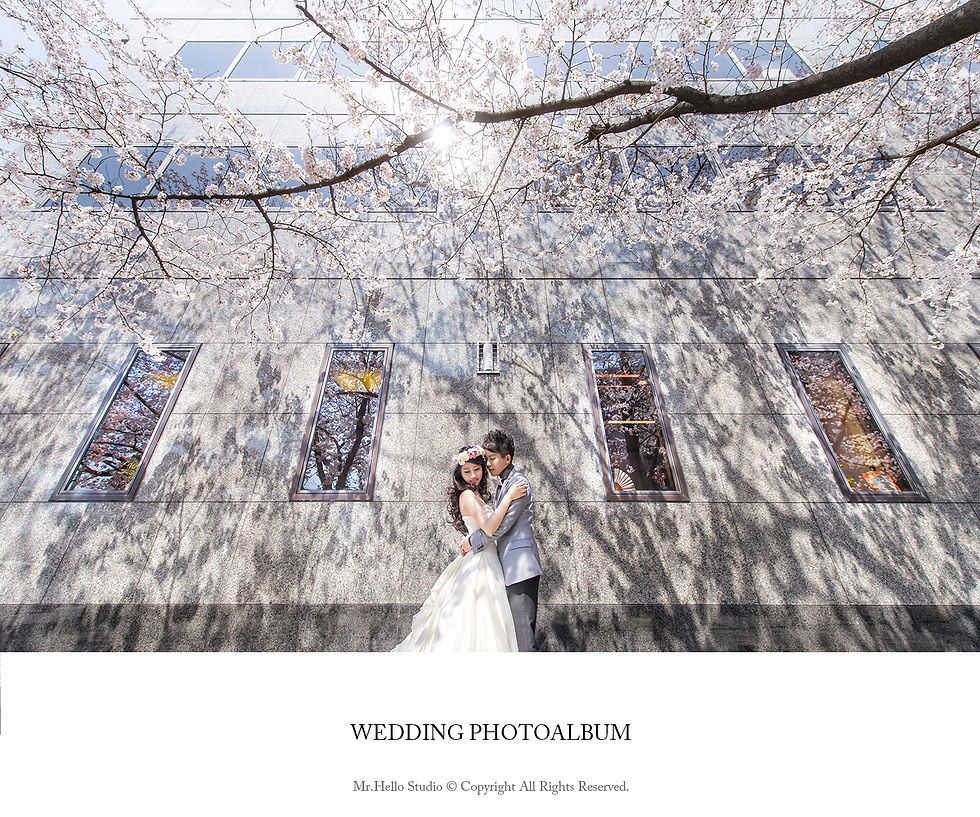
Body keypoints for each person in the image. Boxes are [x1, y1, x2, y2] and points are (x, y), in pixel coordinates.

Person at [392, 444, 528, 652]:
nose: (473, 475)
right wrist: (509, 497)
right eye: (467, 471)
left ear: (483, 470)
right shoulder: (467, 496)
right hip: (480, 563)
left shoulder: (477, 496)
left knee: (490, 618)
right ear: (460, 474)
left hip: (489, 560)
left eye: (477, 469)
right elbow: (491, 528)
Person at [459, 429, 541, 652]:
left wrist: (472, 540)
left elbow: (501, 526)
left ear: (508, 458)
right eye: (486, 458)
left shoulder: (518, 484)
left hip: (521, 566)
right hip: (506, 567)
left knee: (524, 639)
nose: (488, 464)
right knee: (514, 637)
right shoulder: (501, 486)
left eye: (492, 458)